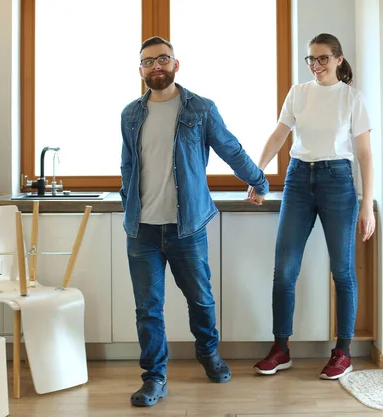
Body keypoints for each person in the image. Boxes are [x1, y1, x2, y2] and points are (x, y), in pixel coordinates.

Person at [119, 36, 269, 406]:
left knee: (200, 300)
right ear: (140, 70)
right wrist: (128, 207)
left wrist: (259, 180)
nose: (157, 66)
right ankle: (155, 377)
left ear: (176, 65)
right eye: (149, 61)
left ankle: (208, 352)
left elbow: (229, 148)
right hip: (142, 231)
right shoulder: (131, 114)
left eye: (163, 59)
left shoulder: (200, 109)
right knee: (147, 309)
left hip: (187, 227)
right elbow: (127, 167)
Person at [247, 33, 375, 380]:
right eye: (311, 59)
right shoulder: (298, 93)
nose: (316, 66)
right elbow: (278, 136)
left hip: (338, 182)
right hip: (299, 179)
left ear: (338, 59)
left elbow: (363, 154)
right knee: (284, 269)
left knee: (343, 272)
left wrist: (367, 206)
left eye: (322, 59)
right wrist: (257, 177)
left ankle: (343, 352)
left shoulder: (352, 98)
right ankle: (280, 348)